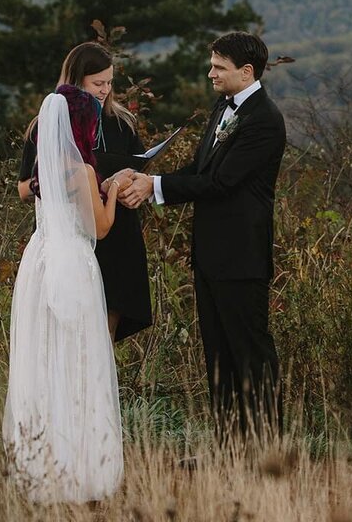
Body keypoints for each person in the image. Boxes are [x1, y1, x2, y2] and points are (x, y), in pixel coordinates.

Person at [120, 31, 286, 436]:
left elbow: (222, 183)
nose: (210, 73)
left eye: (219, 67)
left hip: (242, 256)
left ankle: (265, 446)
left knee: (249, 351)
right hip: (211, 254)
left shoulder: (264, 119)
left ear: (246, 72)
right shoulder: (223, 107)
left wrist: (155, 187)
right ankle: (228, 443)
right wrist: (146, 179)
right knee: (218, 354)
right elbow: (199, 171)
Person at [3, 89, 124, 504]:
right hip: (73, 260)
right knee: (79, 360)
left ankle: (41, 467)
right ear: (83, 126)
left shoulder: (44, 166)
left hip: (38, 261)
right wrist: (114, 191)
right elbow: (102, 227)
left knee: (42, 358)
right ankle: (82, 466)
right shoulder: (83, 172)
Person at [18, 42, 152, 342]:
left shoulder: (122, 123)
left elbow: (141, 168)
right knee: (68, 337)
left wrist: (133, 184)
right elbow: (24, 188)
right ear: (77, 81)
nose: (104, 90)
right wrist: (67, 182)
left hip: (118, 235)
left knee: (105, 334)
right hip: (73, 237)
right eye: (97, 83)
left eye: (109, 82)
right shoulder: (47, 126)